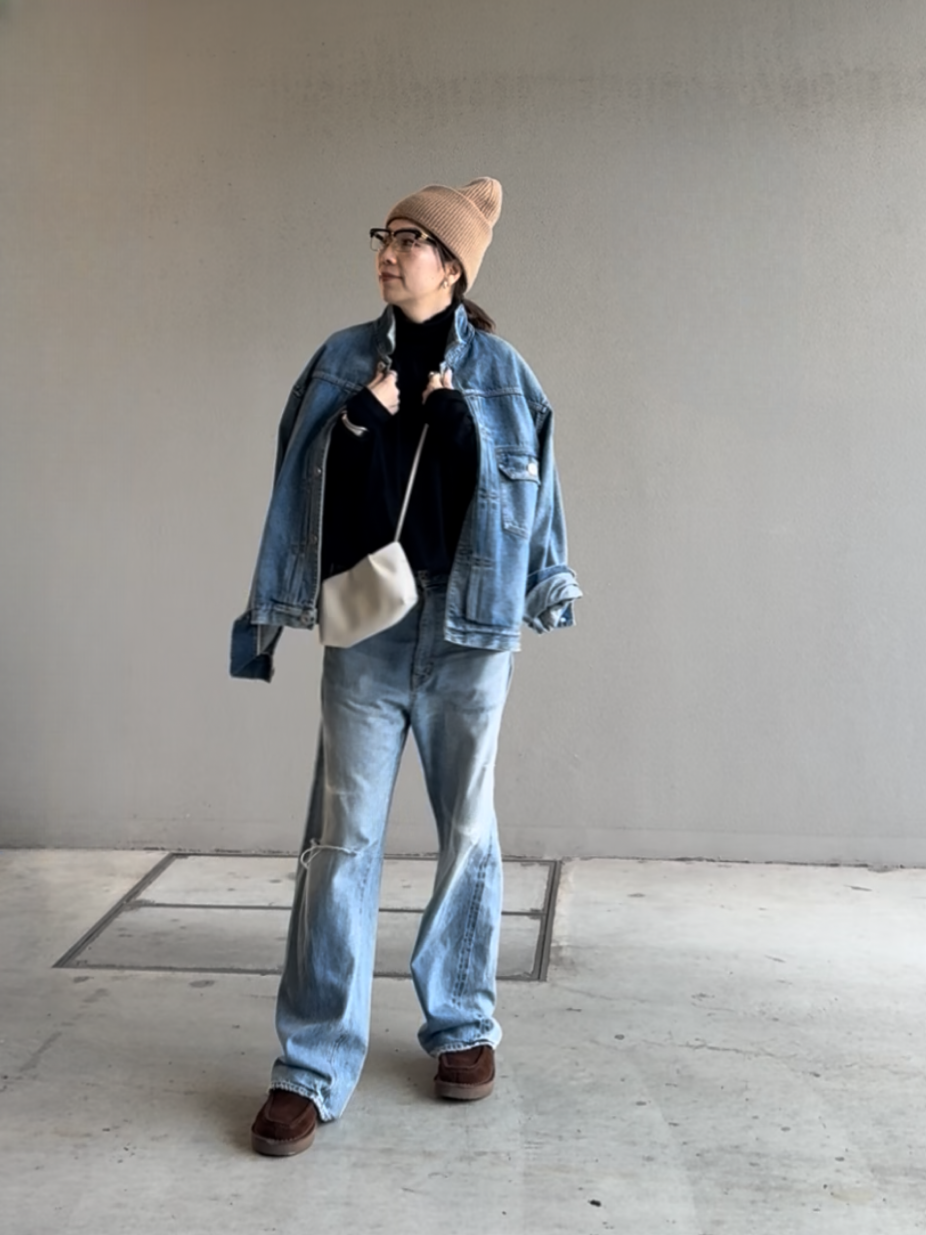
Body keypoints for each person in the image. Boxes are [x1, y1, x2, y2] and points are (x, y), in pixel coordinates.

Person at [230, 177, 581, 1156]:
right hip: (369, 629)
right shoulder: (341, 361)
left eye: (413, 239)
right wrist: (358, 421)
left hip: (470, 631)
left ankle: (462, 1023)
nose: (389, 252)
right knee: (340, 842)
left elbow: (537, 498)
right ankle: (309, 1065)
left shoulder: (503, 374)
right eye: (384, 235)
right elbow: (295, 489)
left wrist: (547, 584)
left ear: (454, 265)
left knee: (467, 832)